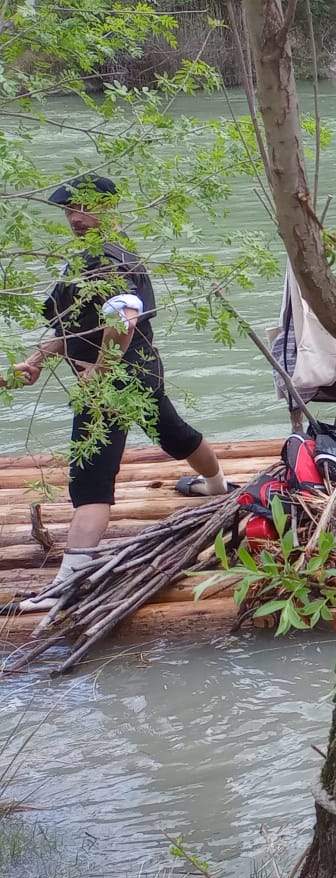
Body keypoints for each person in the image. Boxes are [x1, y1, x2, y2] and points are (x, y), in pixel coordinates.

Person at [9, 175, 231, 595]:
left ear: (109, 209)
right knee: (175, 434)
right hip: (142, 373)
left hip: (110, 387)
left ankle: (69, 583)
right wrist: (38, 358)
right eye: (69, 211)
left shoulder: (110, 261)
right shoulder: (88, 258)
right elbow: (79, 326)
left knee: (90, 480)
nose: (75, 218)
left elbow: (123, 318)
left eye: (83, 209)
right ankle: (217, 487)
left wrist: (102, 371)